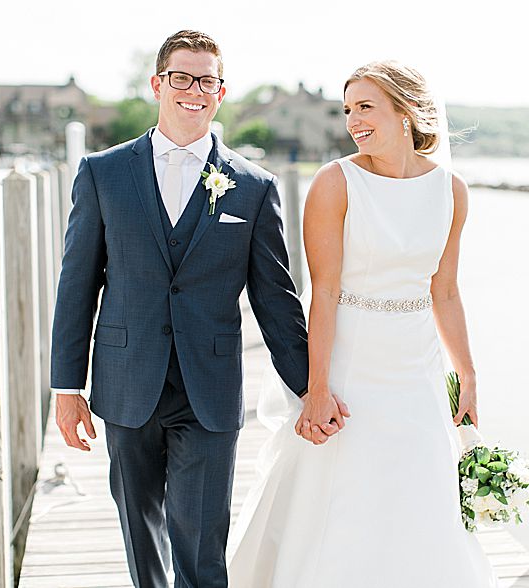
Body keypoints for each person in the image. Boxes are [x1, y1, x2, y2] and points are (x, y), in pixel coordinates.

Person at [48, 30, 333, 587]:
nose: (194, 90)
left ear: (220, 92)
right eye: (182, 77)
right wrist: (66, 387)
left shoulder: (253, 187)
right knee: (141, 540)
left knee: (203, 551)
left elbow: (276, 300)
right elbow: (76, 284)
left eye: (207, 80)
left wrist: (310, 390)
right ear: (158, 84)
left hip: (210, 388)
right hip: (126, 383)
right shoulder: (103, 173)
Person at [226, 61, 498, 587]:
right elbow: (323, 293)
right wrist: (317, 389)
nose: (353, 120)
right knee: (344, 490)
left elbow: (444, 291)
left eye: (365, 107)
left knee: (420, 487)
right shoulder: (336, 182)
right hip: (351, 362)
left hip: (416, 367)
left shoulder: (451, 190)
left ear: (406, 110)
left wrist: (467, 374)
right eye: (348, 109)